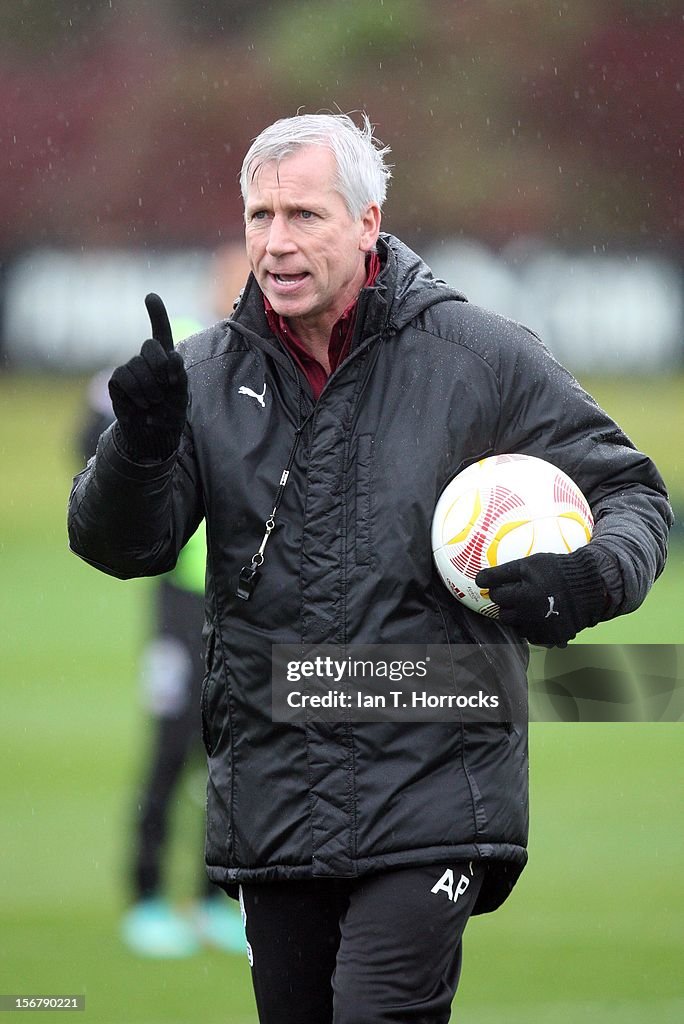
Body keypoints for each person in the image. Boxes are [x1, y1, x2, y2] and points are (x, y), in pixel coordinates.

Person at [68, 113, 672, 1022]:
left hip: (436, 783)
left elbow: (635, 496)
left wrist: (586, 578)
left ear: (366, 222)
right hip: (273, 793)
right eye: (260, 216)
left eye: (305, 215)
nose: (276, 243)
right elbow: (121, 545)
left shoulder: (479, 358)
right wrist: (141, 450)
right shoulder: (201, 378)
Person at [75, 257, 249, 959]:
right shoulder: (185, 352)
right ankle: (146, 897)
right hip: (182, 593)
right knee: (173, 742)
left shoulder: (268, 366)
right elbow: (89, 431)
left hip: (245, 594)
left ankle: (216, 901)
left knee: (233, 751)